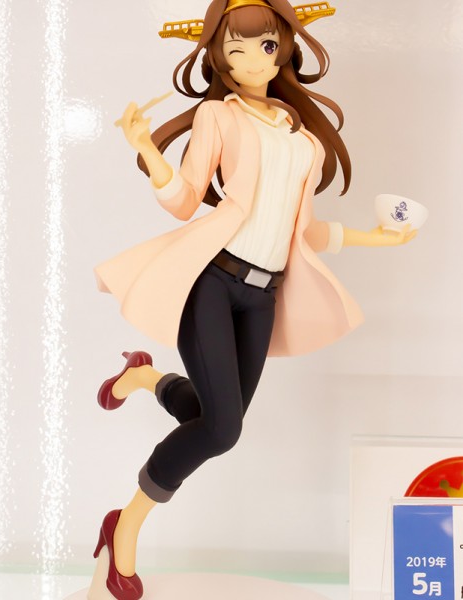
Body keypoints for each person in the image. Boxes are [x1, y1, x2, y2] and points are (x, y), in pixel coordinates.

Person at [91, 1, 416, 598]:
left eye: (263, 46)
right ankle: (125, 526)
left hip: (263, 296)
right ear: (219, 58)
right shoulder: (218, 114)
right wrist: (150, 152)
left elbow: (303, 230)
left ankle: (143, 378)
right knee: (222, 430)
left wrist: (377, 237)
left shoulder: (300, 136)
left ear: (283, 47)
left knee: (217, 415)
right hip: (212, 282)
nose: (249, 61)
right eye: (233, 50)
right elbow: (185, 200)